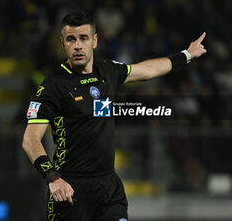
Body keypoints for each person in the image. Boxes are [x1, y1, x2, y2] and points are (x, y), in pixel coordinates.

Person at [22, 11, 206, 221]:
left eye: (84, 38)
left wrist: (187, 55)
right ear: (62, 43)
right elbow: (30, 139)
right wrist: (53, 179)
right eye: (71, 39)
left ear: (95, 41)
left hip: (108, 187)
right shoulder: (51, 87)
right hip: (70, 188)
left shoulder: (107, 71)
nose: (78, 45)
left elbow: (146, 70)